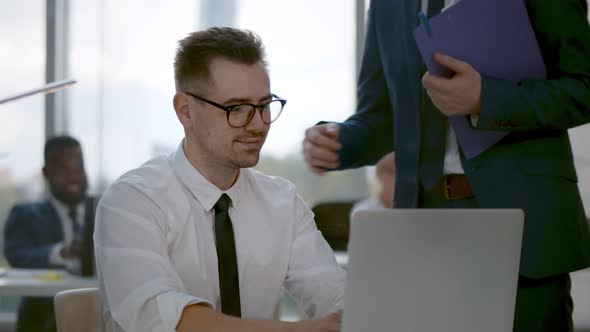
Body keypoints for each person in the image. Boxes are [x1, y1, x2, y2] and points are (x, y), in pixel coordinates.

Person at [302, 0, 590, 331]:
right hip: (424, 228)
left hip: (527, 225)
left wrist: (488, 99)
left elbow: (583, 85)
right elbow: (382, 116)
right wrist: (339, 140)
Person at [94, 27, 345, 332]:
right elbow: (171, 321)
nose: (257, 125)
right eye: (236, 108)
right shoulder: (131, 201)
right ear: (186, 111)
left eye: (264, 106)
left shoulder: (283, 202)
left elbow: (336, 296)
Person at [4, 135, 89, 332]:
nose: (72, 177)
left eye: (78, 169)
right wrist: (62, 253)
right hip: (43, 316)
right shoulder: (25, 215)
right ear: (46, 172)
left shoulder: (106, 212)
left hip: (100, 313)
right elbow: (16, 255)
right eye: (63, 170)